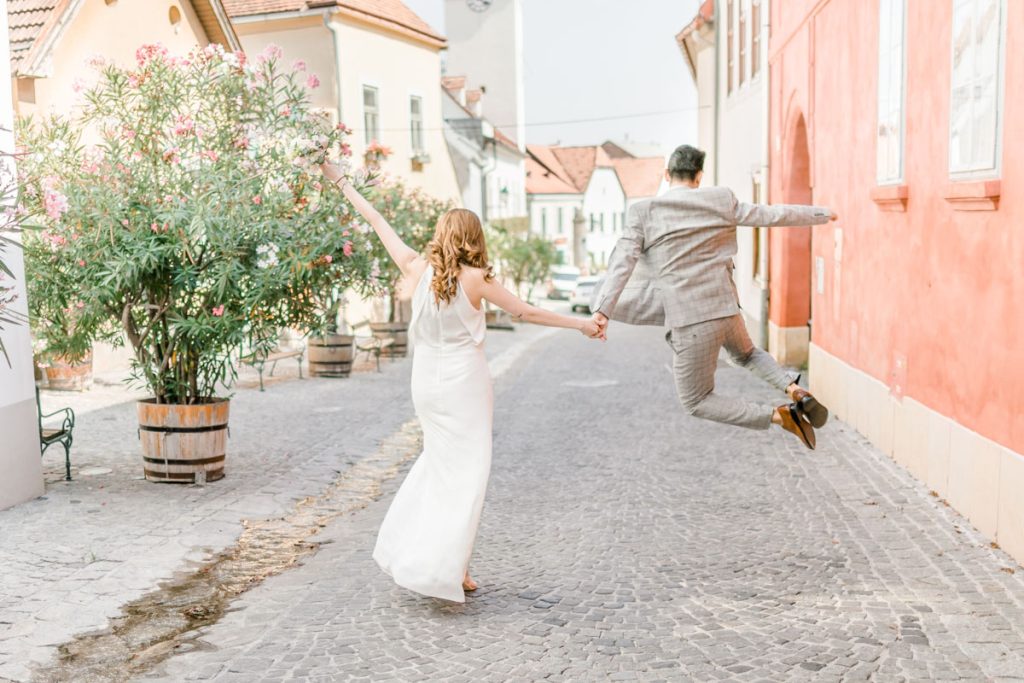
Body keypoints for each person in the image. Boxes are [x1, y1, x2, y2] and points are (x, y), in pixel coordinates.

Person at [320, 162, 603, 602]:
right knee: (468, 476)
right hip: (464, 385)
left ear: (441, 233)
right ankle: (450, 566)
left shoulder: (414, 267)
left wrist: (339, 179)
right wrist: (581, 325)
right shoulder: (477, 279)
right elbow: (526, 312)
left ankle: (453, 563)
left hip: (426, 387)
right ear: (474, 238)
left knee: (439, 468)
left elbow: (376, 221)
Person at [590, 144, 837, 450]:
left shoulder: (643, 212)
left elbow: (622, 262)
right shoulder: (720, 199)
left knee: (696, 400)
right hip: (727, 309)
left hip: (690, 321)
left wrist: (603, 309)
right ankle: (795, 391)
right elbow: (770, 215)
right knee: (747, 354)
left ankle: (782, 416)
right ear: (699, 176)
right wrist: (821, 214)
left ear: (667, 174)